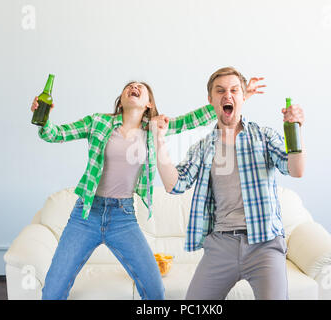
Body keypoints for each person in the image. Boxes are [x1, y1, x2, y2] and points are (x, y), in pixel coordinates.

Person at [31, 81, 219, 300]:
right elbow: (54, 134)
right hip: (85, 215)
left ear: (149, 103)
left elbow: (191, 121)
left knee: (155, 291)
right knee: (52, 291)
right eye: (129, 86)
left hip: (123, 217)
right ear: (121, 99)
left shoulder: (154, 128)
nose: (134, 87)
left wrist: (231, 98)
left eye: (140, 86)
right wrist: (43, 119)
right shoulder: (98, 122)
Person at [152, 67, 305, 300]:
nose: (228, 95)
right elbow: (175, 185)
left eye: (234, 90)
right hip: (221, 244)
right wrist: (158, 140)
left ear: (244, 97)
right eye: (220, 90)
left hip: (265, 244)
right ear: (210, 99)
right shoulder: (204, 147)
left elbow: (296, 170)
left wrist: (296, 130)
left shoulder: (264, 136)